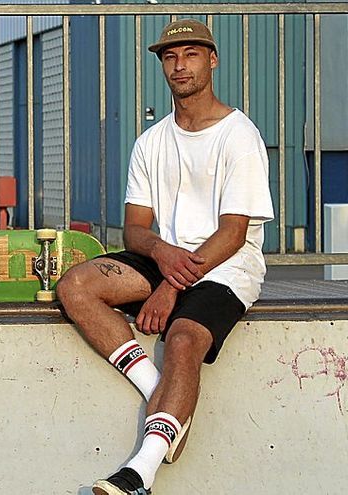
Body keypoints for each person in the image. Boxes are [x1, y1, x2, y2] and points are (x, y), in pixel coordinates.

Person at [56, 19, 274, 495]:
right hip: (168, 256)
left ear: (212, 60)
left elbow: (234, 234)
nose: (181, 65)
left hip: (227, 265)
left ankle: (142, 471)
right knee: (75, 286)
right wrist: (160, 253)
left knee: (182, 338)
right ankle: (163, 395)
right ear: (162, 66)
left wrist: (170, 286)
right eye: (171, 57)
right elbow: (136, 228)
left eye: (192, 54)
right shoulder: (151, 142)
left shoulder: (239, 136)